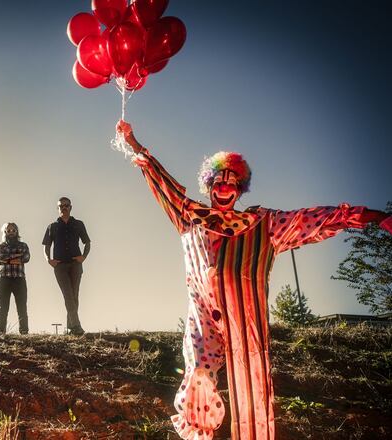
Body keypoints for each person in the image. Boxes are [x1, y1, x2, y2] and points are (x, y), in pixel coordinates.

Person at [116, 120, 392, 440]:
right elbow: (162, 183)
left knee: (252, 383)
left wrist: (374, 216)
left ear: (240, 189)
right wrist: (134, 143)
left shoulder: (263, 224)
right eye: (218, 183)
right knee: (200, 375)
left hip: (243, 317)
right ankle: (201, 435)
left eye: (231, 184)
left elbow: (314, 220)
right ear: (210, 186)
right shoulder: (189, 215)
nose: (224, 188)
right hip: (204, 315)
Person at [43, 197, 91, 336]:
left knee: (74, 295)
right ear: (57, 209)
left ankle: (71, 328)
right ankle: (77, 326)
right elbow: (46, 245)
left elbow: (87, 242)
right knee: (68, 295)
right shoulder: (52, 226)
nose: (64, 208)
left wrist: (84, 257)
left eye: (66, 205)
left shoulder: (78, 224)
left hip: (76, 264)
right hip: (60, 266)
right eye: (61, 206)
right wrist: (48, 260)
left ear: (71, 207)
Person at [0, 222, 31, 334]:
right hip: (4, 279)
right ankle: (1, 332)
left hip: (19, 279)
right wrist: (15, 257)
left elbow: (26, 257)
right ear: (5, 232)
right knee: (3, 308)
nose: (11, 232)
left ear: (17, 232)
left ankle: (24, 332)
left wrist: (7, 260)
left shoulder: (23, 245)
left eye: (13, 230)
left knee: (22, 307)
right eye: (8, 230)